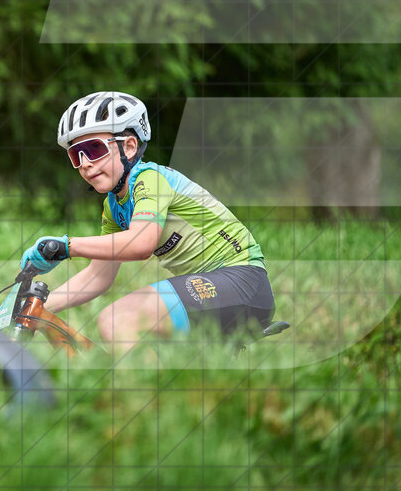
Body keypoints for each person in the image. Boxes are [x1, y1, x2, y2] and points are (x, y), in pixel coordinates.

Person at [19, 91, 275, 353]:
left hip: (242, 281)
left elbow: (141, 243)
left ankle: (143, 394)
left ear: (129, 147)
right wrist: (39, 305)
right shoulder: (114, 205)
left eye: (94, 149)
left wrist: (66, 247)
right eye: (76, 155)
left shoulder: (150, 179)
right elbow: (98, 276)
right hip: (213, 289)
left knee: (118, 319)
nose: (85, 164)